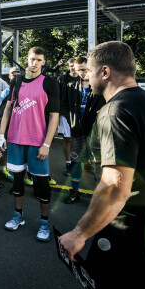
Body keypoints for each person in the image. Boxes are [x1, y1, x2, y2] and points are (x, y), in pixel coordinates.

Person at [60, 42, 145, 289]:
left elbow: (115, 187)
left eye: (88, 71)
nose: (85, 77)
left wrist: (79, 234)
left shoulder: (115, 111)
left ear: (104, 72)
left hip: (129, 237)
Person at [0, 47, 59, 241]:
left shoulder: (49, 83)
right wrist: (2, 135)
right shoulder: (16, 81)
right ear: (27, 59)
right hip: (15, 139)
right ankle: (18, 215)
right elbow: (8, 109)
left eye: (39, 60)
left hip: (37, 142)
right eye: (32, 59)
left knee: (41, 183)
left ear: (43, 62)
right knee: (17, 181)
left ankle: (43, 222)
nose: (34, 63)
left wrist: (47, 144)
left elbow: (54, 116)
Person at [61, 57, 105, 203]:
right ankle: (74, 192)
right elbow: (63, 105)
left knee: (98, 164)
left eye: (84, 69)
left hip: (95, 132)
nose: (81, 72)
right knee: (75, 162)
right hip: (76, 131)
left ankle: (100, 198)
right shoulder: (71, 86)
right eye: (77, 69)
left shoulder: (99, 86)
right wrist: (70, 119)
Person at [57, 58, 78, 174]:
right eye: (71, 65)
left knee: (81, 140)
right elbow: (57, 96)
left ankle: (83, 163)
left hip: (80, 114)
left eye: (75, 65)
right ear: (68, 67)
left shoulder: (84, 79)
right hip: (65, 113)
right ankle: (68, 163)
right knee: (68, 139)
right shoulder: (62, 79)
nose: (73, 68)